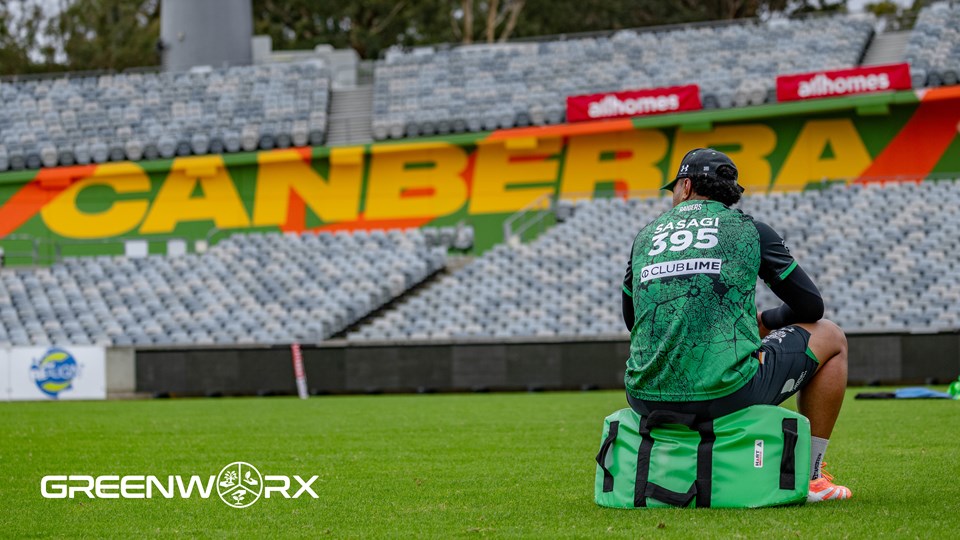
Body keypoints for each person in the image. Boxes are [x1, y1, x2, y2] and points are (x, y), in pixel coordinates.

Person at [621, 148, 851, 503]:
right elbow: (811, 306)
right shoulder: (750, 229)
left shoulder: (645, 236)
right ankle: (812, 476)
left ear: (685, 186)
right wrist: (763, 322)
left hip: (643, 397)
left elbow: (633, 320)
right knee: (832, 336)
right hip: (726, 395)